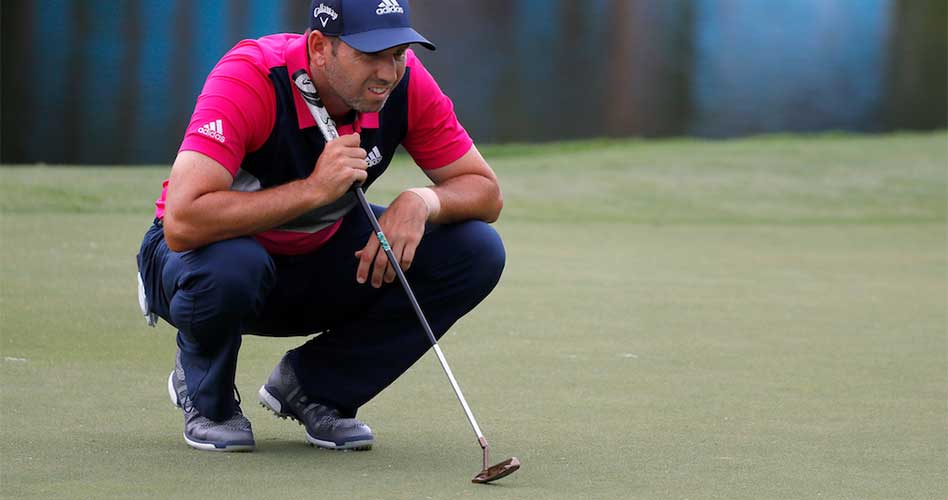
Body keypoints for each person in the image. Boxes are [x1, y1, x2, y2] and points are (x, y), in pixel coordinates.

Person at [136, 0, 505, 452]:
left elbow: (485, 191)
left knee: (476, 249)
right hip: (199, 263)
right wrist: (313, 189)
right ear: (320, 47)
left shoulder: (403, 87)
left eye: (399, 53)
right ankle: (206, 395)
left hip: (315, 257)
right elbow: (183, 221)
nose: (388, 72)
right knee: (233, 266)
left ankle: (315, 388)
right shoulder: (252, 76)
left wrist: (422, 200)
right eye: (371, 54)